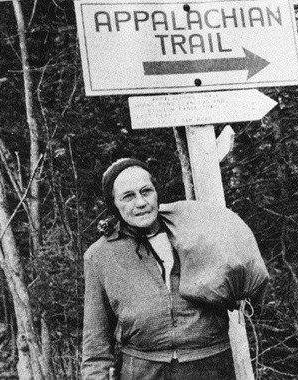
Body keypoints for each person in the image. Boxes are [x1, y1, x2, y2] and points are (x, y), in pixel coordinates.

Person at [82, 158, 269, 380]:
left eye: (146, 191)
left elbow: (243, 275)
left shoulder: (193, 231)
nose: (141, 202)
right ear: (113, 204)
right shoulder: (100, 255)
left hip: (209, 364)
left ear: (156, 193)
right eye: (128, 196)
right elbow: (96, 344)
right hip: (142, 370)